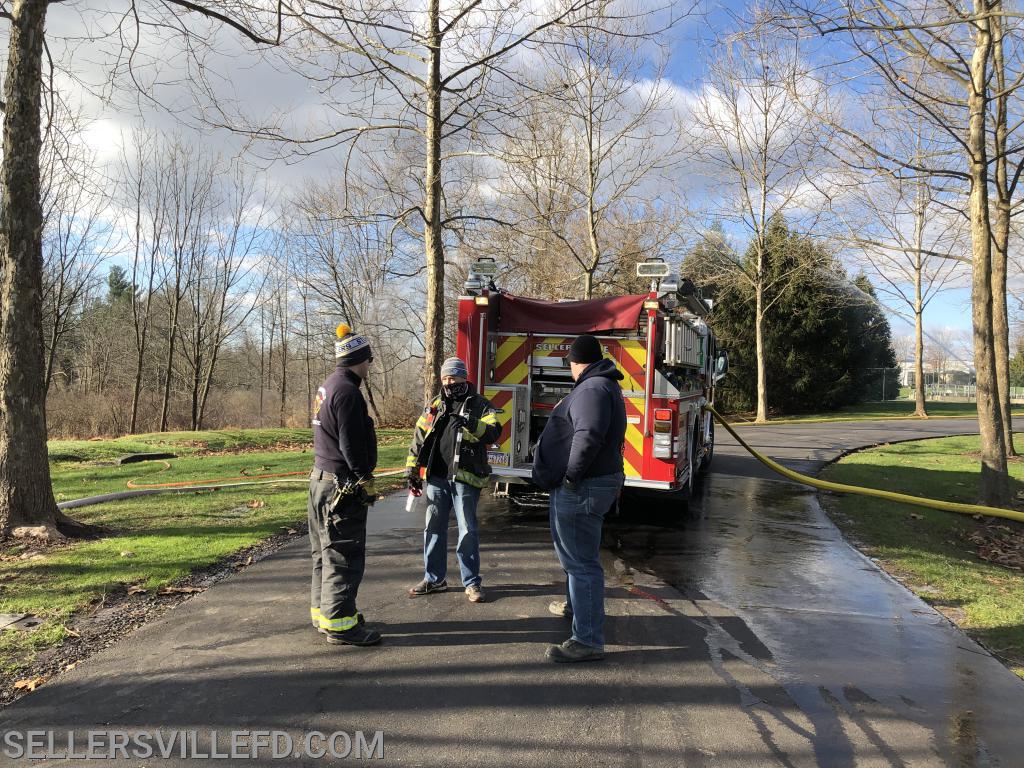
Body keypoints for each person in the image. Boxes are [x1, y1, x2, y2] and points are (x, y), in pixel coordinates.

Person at [532, 334, 626, 663]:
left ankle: (586, 639)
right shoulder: (602, 386)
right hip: (593, 482)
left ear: (575, 363)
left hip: (583, 486)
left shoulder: (593, 388)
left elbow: (588, 435)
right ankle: (575, 607)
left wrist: (571, 475)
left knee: (581, 563)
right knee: (578, 557)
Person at [308, 323, 381, 646]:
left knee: (323, 554)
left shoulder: (328, 385)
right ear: (358, 359)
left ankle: (325, 611)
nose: (369, 366)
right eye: (368, 360)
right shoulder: (349, 393)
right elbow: (351, 445)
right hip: (341, 487)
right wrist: (365, 478)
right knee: (343, 553)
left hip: (320, 482)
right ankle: (339, 624)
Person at [405, 357, 501, 603]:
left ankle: (472, 583)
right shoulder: (435, 405)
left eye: (454, 378)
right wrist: (412, 470)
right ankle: (434, 579)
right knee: (433, 529)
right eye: (446, 378)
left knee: (467, 530)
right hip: (437, 477)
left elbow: (494, 431)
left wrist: (470, 423)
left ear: (464, 378)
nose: (449, 382)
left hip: (465, 480)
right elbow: (419, 436)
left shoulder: (480, 404)